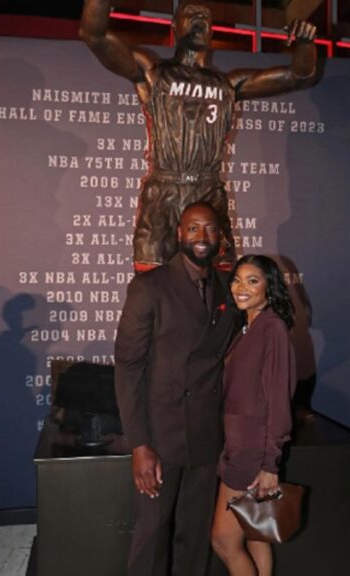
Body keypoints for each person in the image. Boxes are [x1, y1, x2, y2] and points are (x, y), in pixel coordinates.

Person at [80, 0, 319, 271]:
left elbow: (298, 75)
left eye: (205, 17)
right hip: (165, 193)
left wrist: (305, 43)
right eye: (191, 14)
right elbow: (94, 35)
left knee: (218, 288)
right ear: (174, 26)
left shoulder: (229, 84)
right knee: (151, 288)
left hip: (208, 192)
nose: (199, 20)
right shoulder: (153, 73)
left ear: (213, 30)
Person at [114, 201, 237, 575]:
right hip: (161, 437)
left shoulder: (227, 289)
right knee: (151, 538)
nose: (203, 236)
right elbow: (129, 366)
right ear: (180, 234)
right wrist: (139, 444)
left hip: (205, 434)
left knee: (195, 536)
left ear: (221, 238)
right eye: (195, 228)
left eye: (211, 229)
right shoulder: (150, 286)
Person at [211, 254, 297, 576]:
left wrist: (269, 463)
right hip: (238, 443)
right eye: (237, 279)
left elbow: (278, 400)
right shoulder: (249, 327)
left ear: (269, 287)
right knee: (255, 533)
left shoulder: (271, 328)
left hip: (250, 450)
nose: (241, 287)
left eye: (252, 280)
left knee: (223, 540)